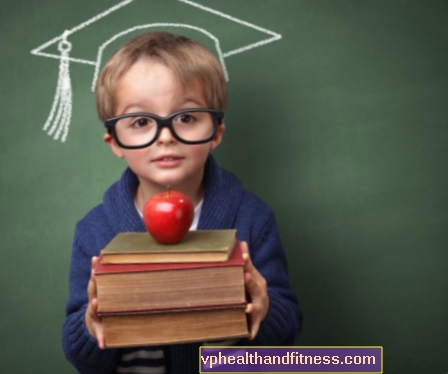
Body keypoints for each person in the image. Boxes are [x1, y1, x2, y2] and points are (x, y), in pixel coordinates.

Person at [62, 32, 302, 373]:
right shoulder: (95, 230)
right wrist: (91, 325)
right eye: (141, 121)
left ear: (216, 132)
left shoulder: (252, 217)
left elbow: (285, 336)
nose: (165, 136)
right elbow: (82, 355)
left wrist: (263, 311)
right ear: (114, 140)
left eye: (186, 118)